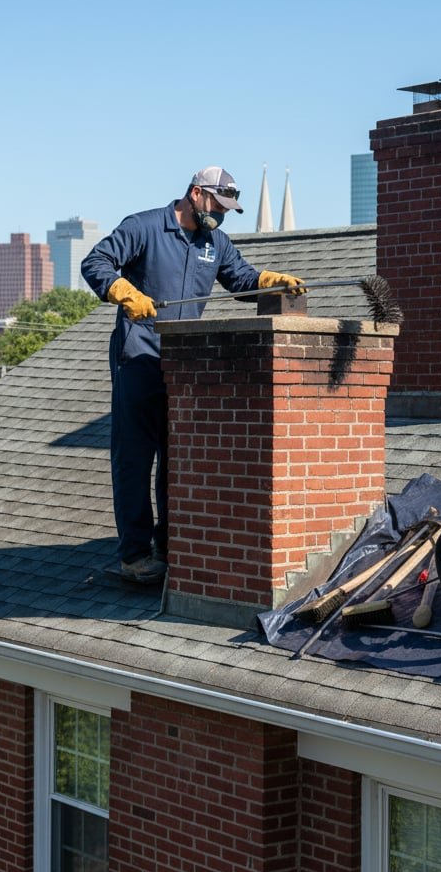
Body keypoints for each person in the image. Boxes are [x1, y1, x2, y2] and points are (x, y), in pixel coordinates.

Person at [81, 166, 306, 584]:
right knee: (134, 459)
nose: (220, 216)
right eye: (217, 206)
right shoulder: (145, 227)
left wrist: (269, 281)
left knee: (176, 459)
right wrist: (123, 291)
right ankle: (134, 555)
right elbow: (95, 262)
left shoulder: (214, 242)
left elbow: (240, 279)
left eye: (227, 210)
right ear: (196, 193)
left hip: (184, 364)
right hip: (139, 356)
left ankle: (169, 545)